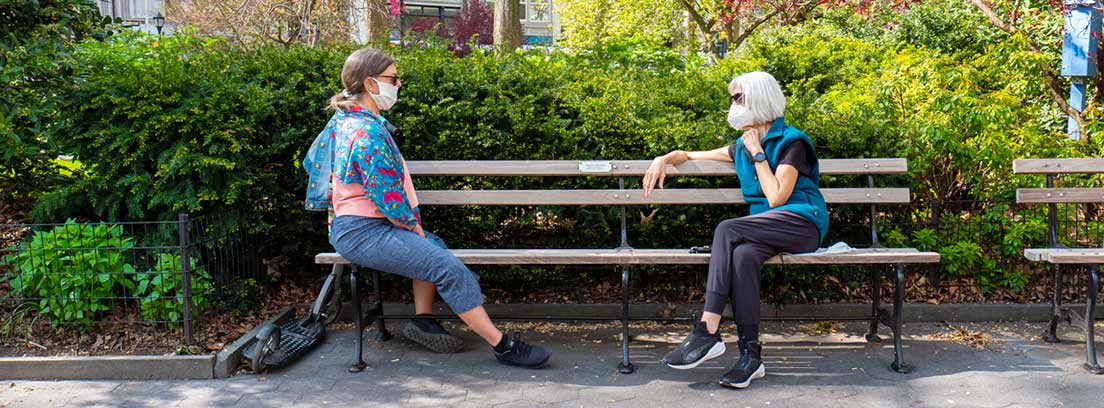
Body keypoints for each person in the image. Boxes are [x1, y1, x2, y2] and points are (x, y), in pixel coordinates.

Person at [303, 48, 551, 368]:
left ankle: (422, 319)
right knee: (446, 267)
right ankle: (503, 346)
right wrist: (410, 225)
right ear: (370, 83)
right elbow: (386, 192)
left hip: (356, 227)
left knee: (434, 247)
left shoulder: (349, 120)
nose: (399, 84)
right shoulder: (366, 130)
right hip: (363, 230)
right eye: (393, 78)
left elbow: (324, 170)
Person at [642, 71, 828, 388]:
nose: (732, 105)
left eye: (738, 98)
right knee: (742, 256)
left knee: (727, 230)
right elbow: (688, 155)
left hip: (801, 222)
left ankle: (708, 329)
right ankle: (750, 357)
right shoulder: (741, 145)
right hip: (762, 229)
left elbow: (777, 196)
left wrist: (757, 154)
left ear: (758, 99)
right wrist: (662, 158)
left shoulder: (792, 142)